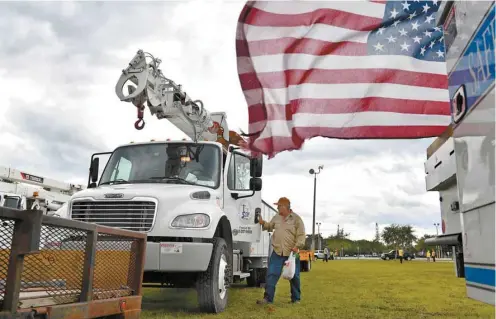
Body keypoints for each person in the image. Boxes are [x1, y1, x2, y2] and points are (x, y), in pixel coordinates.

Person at [256, 197, 306, 305]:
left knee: (294, 276)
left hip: (292, 253)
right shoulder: (277, 217)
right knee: (271, 274)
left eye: (279, 206)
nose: (277, 208)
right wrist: (262, 222)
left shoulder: (296, 219)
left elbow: (301, 235)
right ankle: (268, 298)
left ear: (284, 207)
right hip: (277, 251)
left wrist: (297, 246)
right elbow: (270, 226)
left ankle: (296, 299)